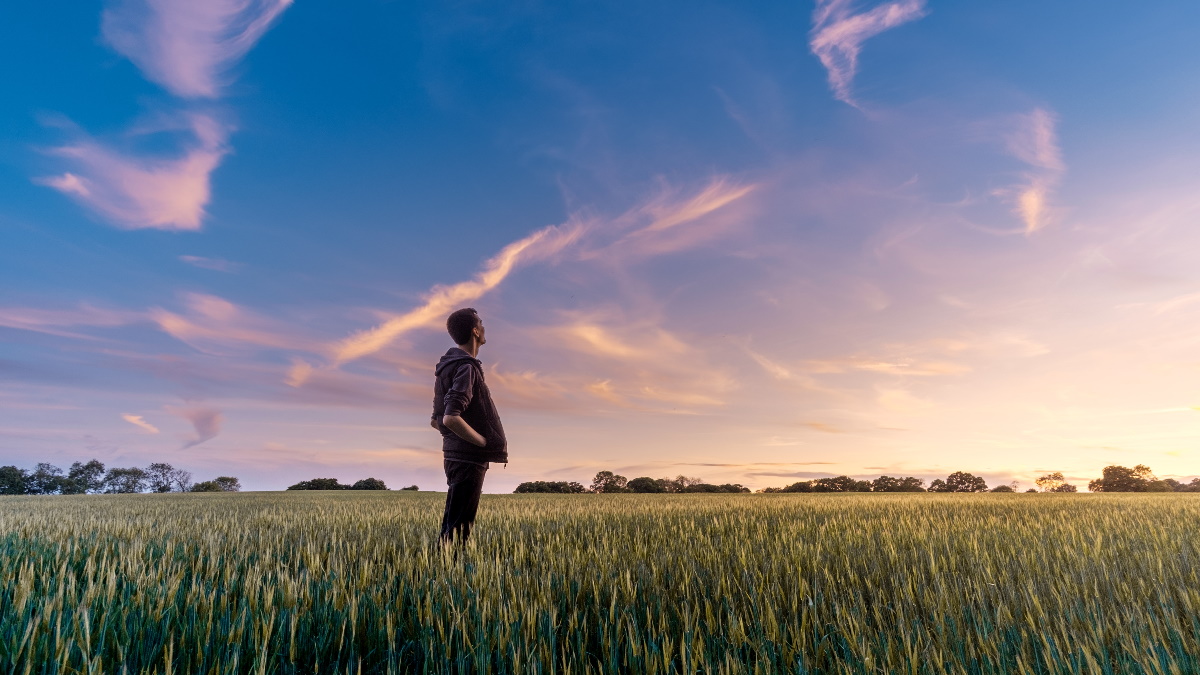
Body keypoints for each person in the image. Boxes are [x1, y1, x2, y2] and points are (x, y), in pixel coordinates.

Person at [430, 307, 507, 545]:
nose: (484, 328)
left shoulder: (447, 367)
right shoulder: (467, 367)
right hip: (468, 458)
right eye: (481, 323)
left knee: (453, 524)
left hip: (454, 455)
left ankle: (441, 571)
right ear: (475, 331)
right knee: (459, 529)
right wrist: (482, 442)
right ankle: (446, 576)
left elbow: (435, 419)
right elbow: (449, 418)